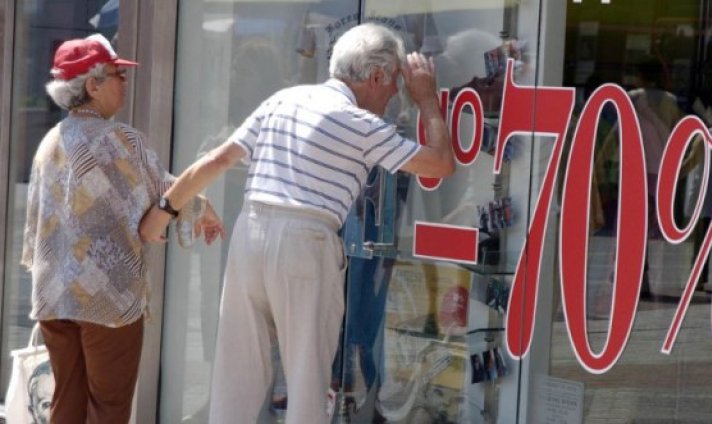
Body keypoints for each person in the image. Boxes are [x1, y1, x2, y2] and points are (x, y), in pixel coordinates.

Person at [139, 22, 454, 423]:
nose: (396, 92)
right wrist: (427, 100)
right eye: (394, 81)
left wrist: (165, 210)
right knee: (307, 380)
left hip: (251, 232)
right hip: (307, 240)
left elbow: (217, 160)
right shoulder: (361, 124)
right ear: (375, 76)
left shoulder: (282, 99)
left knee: (236, 377)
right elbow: (441, 163)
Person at [20, 33, 223, 423]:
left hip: (53, 290)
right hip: (106, 295)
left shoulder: (51, 139)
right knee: (108, 408)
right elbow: (164, 190)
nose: (124, 83)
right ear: (92, 85)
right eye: (117, 75)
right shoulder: (118, 138)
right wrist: (205, 208)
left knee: (67, 401)